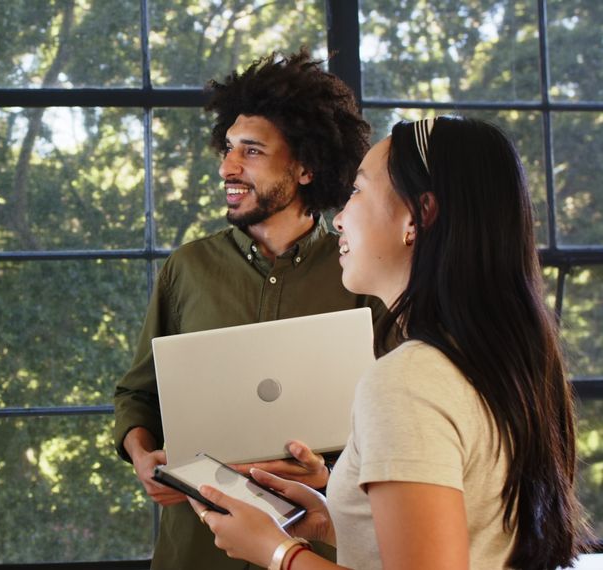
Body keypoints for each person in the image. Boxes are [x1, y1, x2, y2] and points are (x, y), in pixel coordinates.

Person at [189, 116, 591, 569]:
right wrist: (331, 520)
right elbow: (470, 535)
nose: (339, 218)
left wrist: (278, 551)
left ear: (418, 217)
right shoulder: (502, 364)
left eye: (358, 191)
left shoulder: (407, 382)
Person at [112, 49, 381, 570]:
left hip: (316, 551)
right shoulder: (187, 268)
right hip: (195, 550)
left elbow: (391, 423)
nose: (227, 167)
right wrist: (142, 455)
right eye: (228, 148)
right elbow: (136, 395)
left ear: (306, 167)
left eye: (251, 152)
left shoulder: (360, 274)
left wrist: (327, 475)